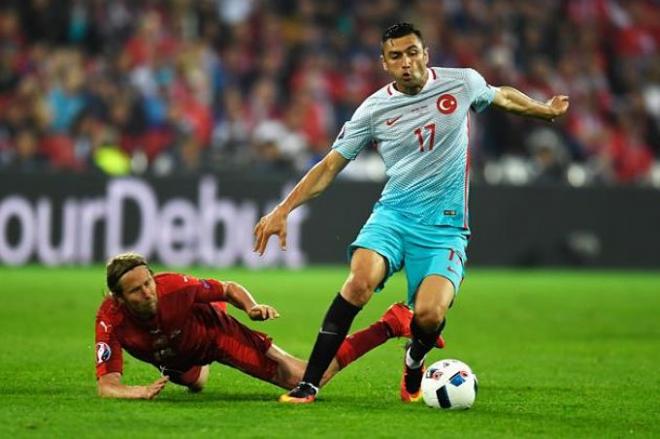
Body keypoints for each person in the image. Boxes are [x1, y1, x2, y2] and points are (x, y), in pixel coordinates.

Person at [253, 22, 570, 404]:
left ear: (426, 54)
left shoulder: (462, 83)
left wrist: (544, 111)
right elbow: (328, 167)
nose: (407, 62)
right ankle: (310, 383)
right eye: (396, 56)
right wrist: (283, 209)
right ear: (385, 63)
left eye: (413, 52)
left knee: (429, 316)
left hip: (445, 229)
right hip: (394, 217)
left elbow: (500, 96)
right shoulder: (373, 109)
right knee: (359, 282)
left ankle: (415, 357)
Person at [95, 252, 429, 399]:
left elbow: (227, 287)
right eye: (137, 290)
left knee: (303, 378)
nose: (147, 292)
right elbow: (107, 385)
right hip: (178, 354)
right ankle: (191, 362)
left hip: (216, 335)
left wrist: (251, 307)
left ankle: (389, 324)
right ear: (119, 298)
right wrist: (136, 392)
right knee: (193, 383)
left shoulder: (175, 287)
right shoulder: (110, 320)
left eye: (148, 283)